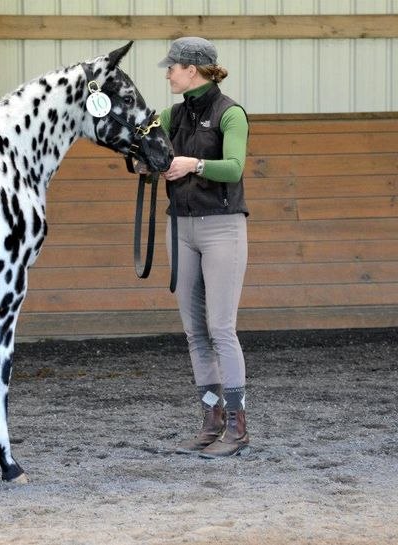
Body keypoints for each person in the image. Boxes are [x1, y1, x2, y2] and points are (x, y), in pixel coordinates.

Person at [157, 37, 251, 458]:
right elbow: (145, 147)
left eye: (172, 67)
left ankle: (237, 425)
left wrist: (192, 163)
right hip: (180, 226)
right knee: (195, 331)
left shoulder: (230, 113)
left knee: (220, 328)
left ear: (191, 69)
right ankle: (211, 420)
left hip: (221, 227)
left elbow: (234, 167)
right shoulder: (171, 115)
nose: (168, 73)